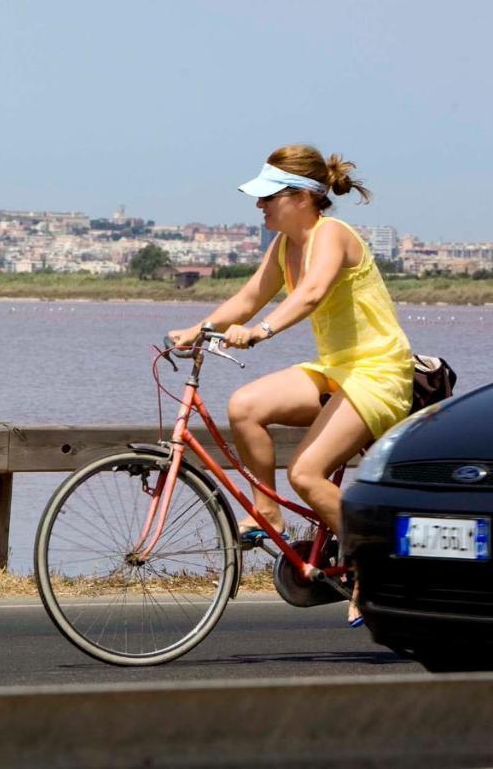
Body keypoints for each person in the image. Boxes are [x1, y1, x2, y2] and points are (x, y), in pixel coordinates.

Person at [166, 144, 413, 626]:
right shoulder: (285, 246)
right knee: (245, 406)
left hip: (379, 372)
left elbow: (312, 292)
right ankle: (268, 514)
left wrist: (262, 331)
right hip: (337, 368)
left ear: (301, 197)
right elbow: (248, 297)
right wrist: (198, 329)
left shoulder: (333, 235)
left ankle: (376, 567)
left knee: (305, 474)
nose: (259, 206)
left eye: (268, 197)